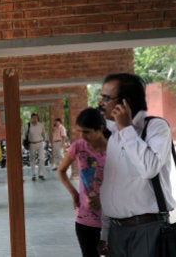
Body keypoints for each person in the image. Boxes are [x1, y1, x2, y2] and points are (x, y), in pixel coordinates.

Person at [97, 73, 175, 257]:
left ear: (126, 102)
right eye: (101, 97)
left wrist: (126, 129)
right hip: (117, 232)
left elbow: (149, 168)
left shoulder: (156, 128)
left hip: (147, 228)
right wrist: (105, 233)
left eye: (107, 98)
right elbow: (112, 186)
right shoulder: (115, 136)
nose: (101, 103)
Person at [58, 108, 109, 257]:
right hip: (85, 220)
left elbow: (125, 182)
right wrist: (74, 193)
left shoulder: (115, 148)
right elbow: (61, 170)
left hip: (113, 220)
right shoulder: (79, 146)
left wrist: (103, 199)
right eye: (80, 131)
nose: (82, 136)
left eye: (86, 132)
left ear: (100, 128)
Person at [22, 113, 48, 180]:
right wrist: (22, 143)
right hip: (31, 144)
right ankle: (33, 174)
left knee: (42, 158)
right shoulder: (28, 125)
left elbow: (44, 133)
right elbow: (24, 135)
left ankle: (40, 174)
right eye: (33, 118)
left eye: (36, 118)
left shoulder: (41, 125)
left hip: (40, 143)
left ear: (37, 118)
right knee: (32, 159)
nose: (35, 119)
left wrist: (46, 140)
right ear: (31, 118)